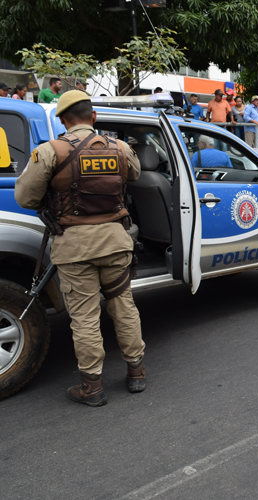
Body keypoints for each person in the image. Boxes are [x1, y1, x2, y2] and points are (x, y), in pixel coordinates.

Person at [14, 90, 146, 405]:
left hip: (74, 248)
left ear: (62, 120)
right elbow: (136, 174)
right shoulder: (120, 148)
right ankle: (136, 373)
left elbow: (25, 198)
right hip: (115, 241)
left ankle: (93, 387)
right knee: (123, 306)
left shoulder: (49, 151)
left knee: (85, 316)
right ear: (94, 117)